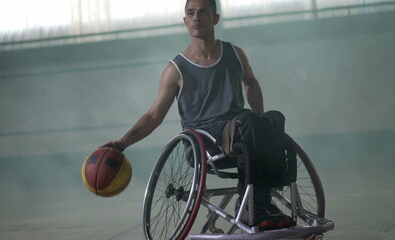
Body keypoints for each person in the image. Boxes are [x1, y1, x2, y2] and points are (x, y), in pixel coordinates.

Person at [102, 0, 291, 230]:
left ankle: (264, 202)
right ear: (185, 22)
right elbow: (153, 116)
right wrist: (123, 142)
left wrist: (261, 124)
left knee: (274, 119)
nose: (196, 17)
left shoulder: (235, 53)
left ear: (215, 19)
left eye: (203, 12)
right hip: (204, 138)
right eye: (190, 13)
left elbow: (250, 81)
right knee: (249, 123)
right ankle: (252, 207)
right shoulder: (176, 69)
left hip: (240, 128)